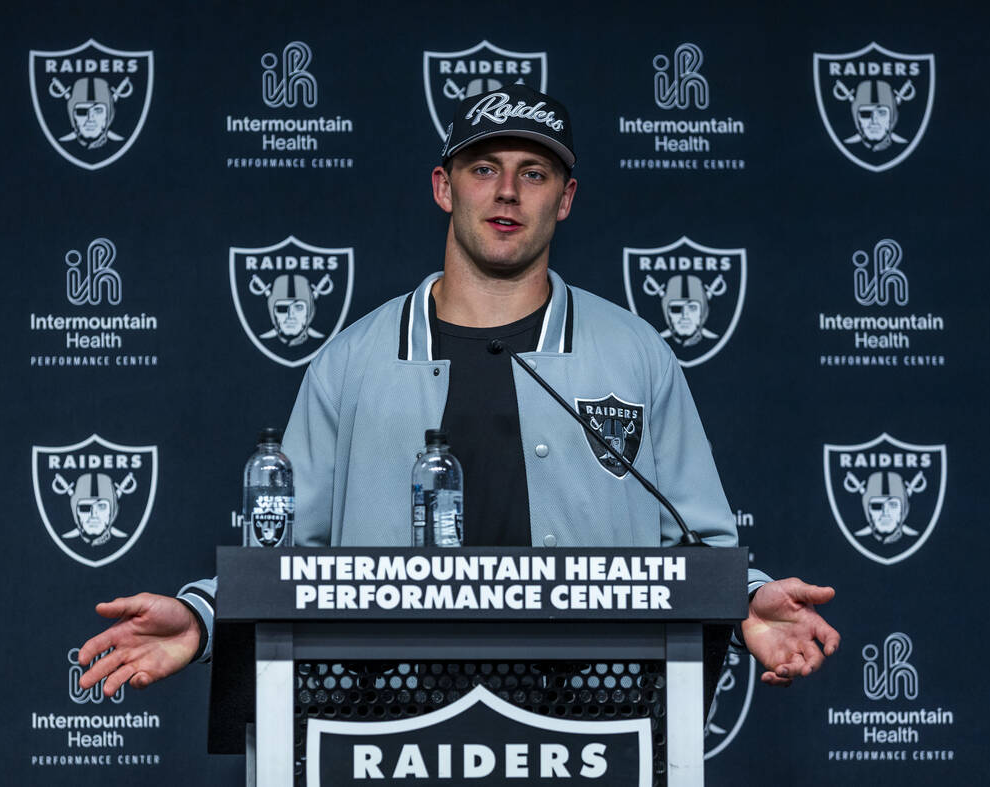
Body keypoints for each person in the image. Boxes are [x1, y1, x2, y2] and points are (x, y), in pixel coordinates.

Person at [77, 84, 839, 698]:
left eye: (533, 173)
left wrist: (751, 598)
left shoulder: (636, 355)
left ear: (565, 198)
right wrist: (204, 618)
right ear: (445, 186)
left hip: (591, 718)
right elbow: (282, 557)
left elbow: (699, 540)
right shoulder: (351, 362)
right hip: (391, 720)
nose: (507, 191)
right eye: (484, 168)